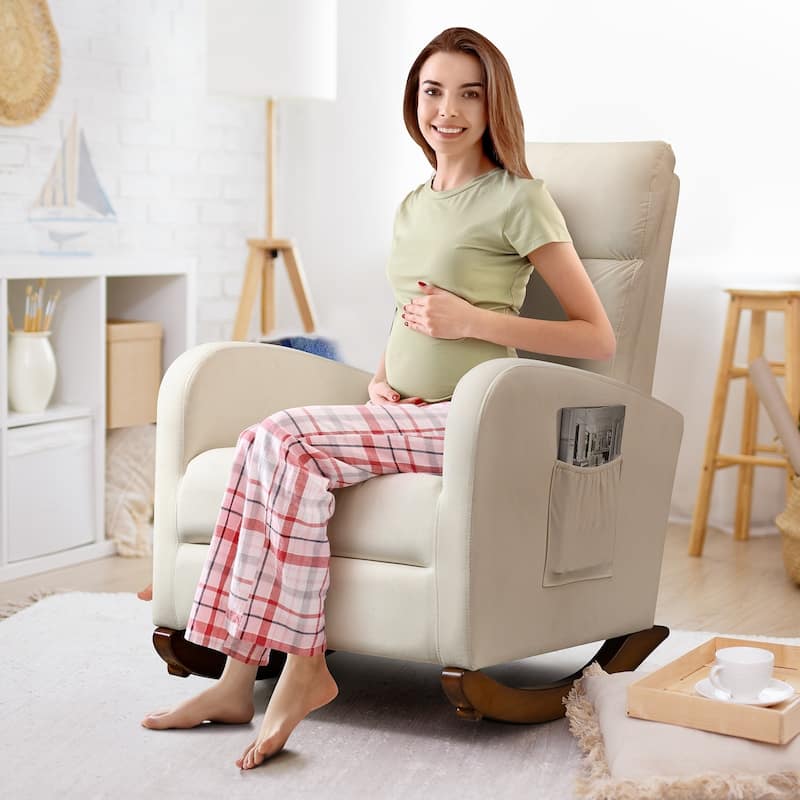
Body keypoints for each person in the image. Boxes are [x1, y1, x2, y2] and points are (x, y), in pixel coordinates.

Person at [140, 26, 615, 770]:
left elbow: (596, 337)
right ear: (413, 101)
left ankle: (302, 665)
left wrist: (474, 321)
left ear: (494, 106)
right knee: (268, 443)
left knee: (286, 436)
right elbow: (407, 309)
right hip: (401, 409)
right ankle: (236, 679)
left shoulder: (520, 199)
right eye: (433, 91)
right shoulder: (412, 203)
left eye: (469, 93)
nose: (447, 109)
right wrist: (381, 378)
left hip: (476, 420)